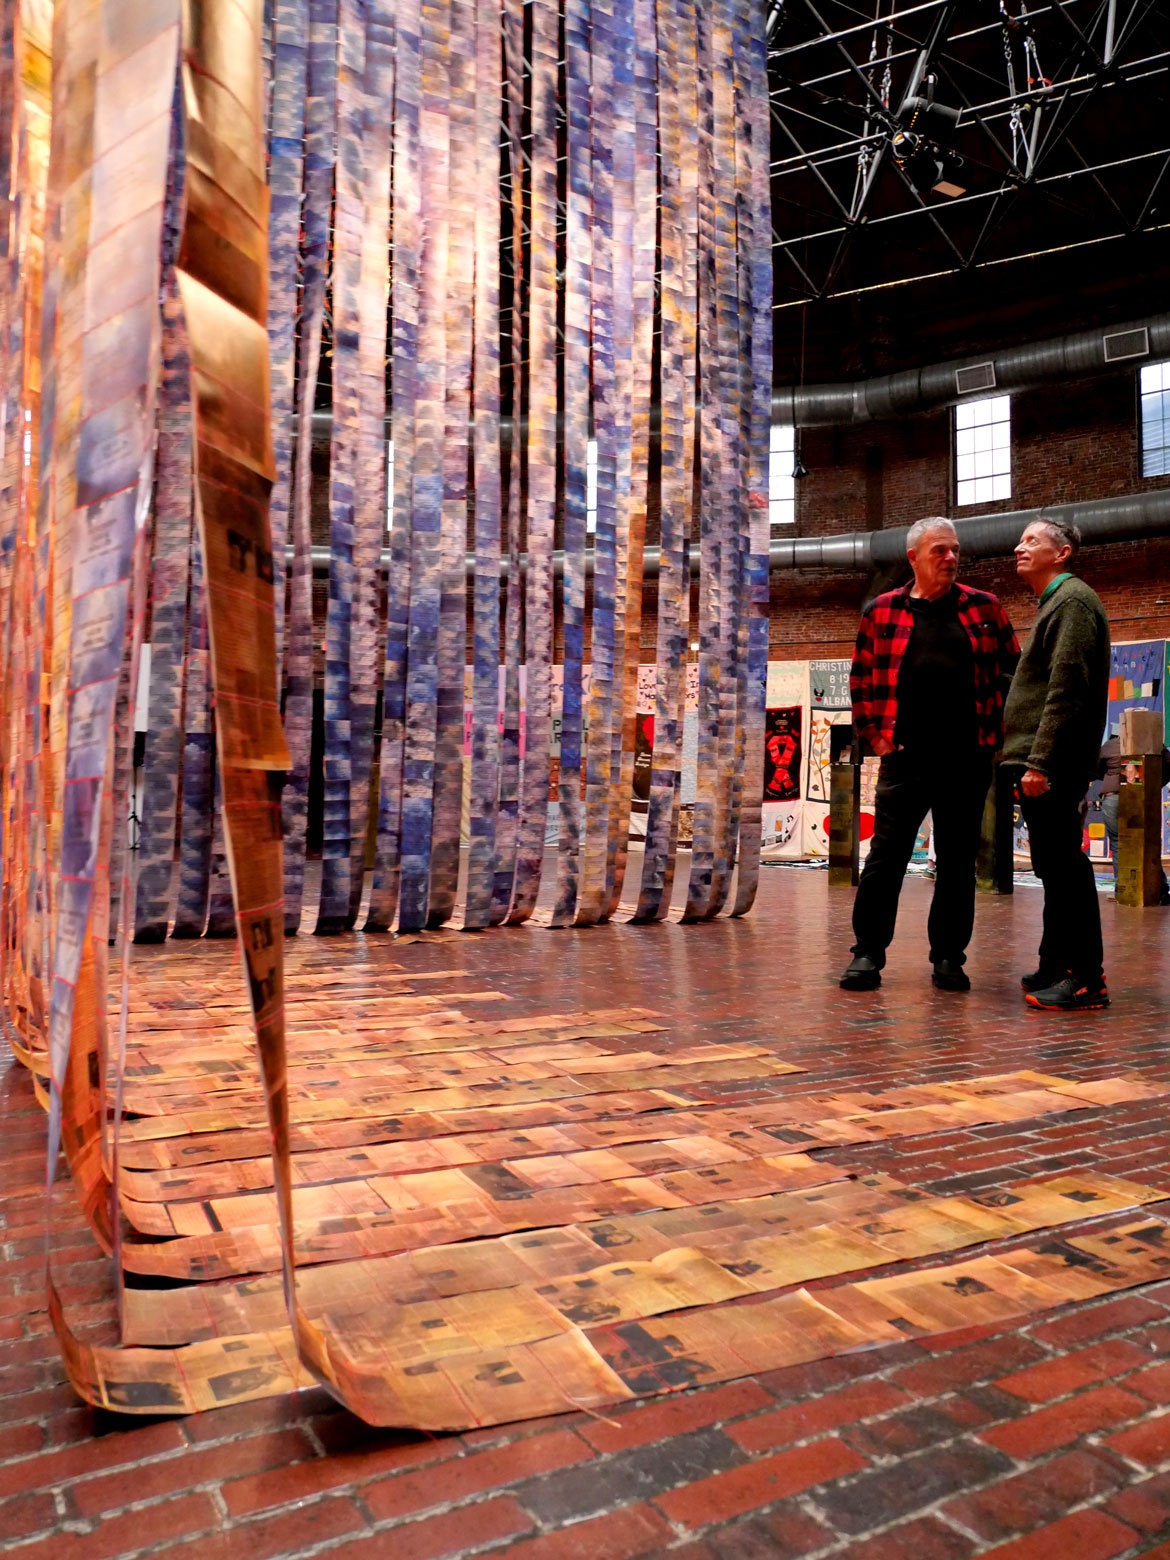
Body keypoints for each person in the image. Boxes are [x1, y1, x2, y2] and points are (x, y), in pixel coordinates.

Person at [841, 517, 1019, 992]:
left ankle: (948, 959)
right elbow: (860, 680)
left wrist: (998, 737)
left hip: (968, 758)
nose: (951, 558)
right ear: (913, 558)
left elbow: (1014, 673)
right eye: (940, 550)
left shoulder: (985, 607)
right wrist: (877, 739)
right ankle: (867, 954)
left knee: (958, 864)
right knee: (886, 859)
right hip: (906, 758)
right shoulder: (882, 610)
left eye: (954, 549)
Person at [1002, 518, 1111, 1011]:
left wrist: (1040, 762)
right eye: (1020, 540)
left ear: (1061, 553)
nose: (1019, 547)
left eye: (1032, 541)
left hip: (1052, 765)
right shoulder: (1056, 603)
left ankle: (1086, 979)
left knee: (1066, 869)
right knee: (1053, 867)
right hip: (1042, 761)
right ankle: (1056, 964)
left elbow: (1067, 690)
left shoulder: (1072, 602)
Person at [1098, 732, 1170, 902]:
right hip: (1142, 797)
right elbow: (1168, 766)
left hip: (1114, 797)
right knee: (1148, 842)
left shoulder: (1111, 745)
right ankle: (1160, 889)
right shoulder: (1154, 743)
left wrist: (1112, 777)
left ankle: (1122, 890)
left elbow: (1096, 768)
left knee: (1118, 844)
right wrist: (1154, 784)